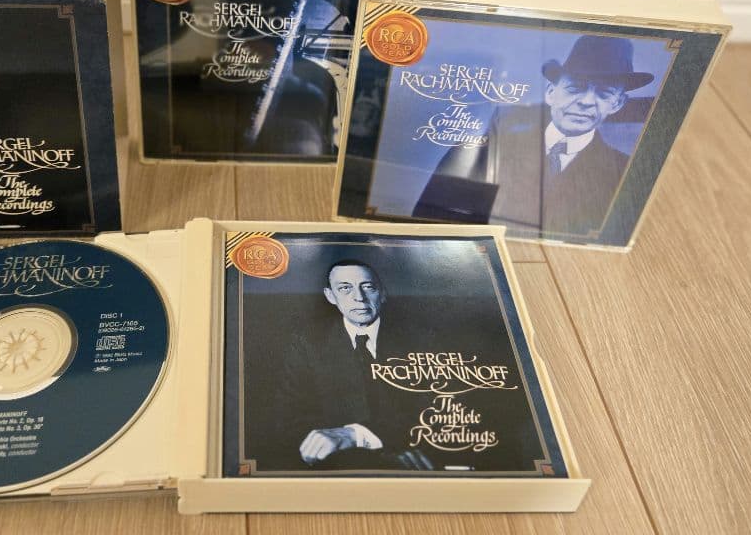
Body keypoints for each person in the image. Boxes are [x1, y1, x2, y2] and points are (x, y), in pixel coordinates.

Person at [413, 34, 655, 237]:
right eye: (576, 88)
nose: (587, 101)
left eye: (604, 93)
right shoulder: (484, 147)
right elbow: (430, 222)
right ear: (550, 92)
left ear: (617, 104)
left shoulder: (624, 175)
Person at [274, 260, 432, 470]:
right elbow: (289, 418)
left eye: (368, 287)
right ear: (331, 296)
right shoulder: (307, 344)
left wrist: (365, 437)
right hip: (339, 465)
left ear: (382, 293)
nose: (359, 297)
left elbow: (437, 410)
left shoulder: (421, 340)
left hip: (411, 457)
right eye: (345, 288)